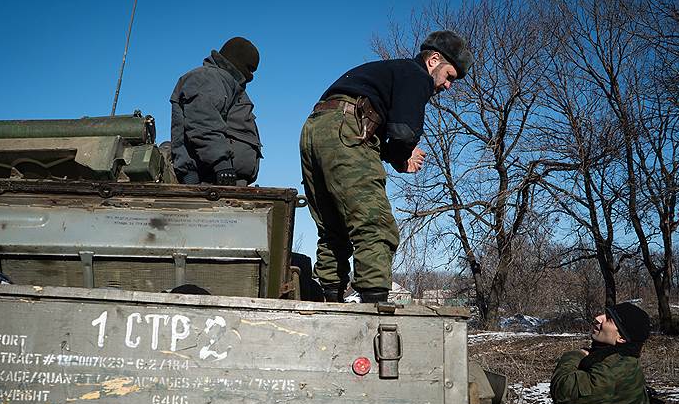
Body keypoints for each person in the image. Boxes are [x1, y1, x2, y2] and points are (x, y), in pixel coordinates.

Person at [300, 31, 473, 303]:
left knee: (333, 228)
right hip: (346, 126)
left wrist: (393, 153)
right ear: (434, 60)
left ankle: (328, 301)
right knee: (376, 225)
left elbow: (373, 131)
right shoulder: (415, 75)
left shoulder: (389, 72)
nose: (449, 86)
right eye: (450, 76)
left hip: (316, 129)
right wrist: (403, 157)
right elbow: (404, 133)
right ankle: (374, 310)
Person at [170, 37, 262, 186]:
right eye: (250, 69)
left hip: (224, 180)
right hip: (212, 180)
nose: (251, 76)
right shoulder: (208, 77)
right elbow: (203, 123)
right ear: (237, 60)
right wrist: (222, 164)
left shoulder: (228, 84)